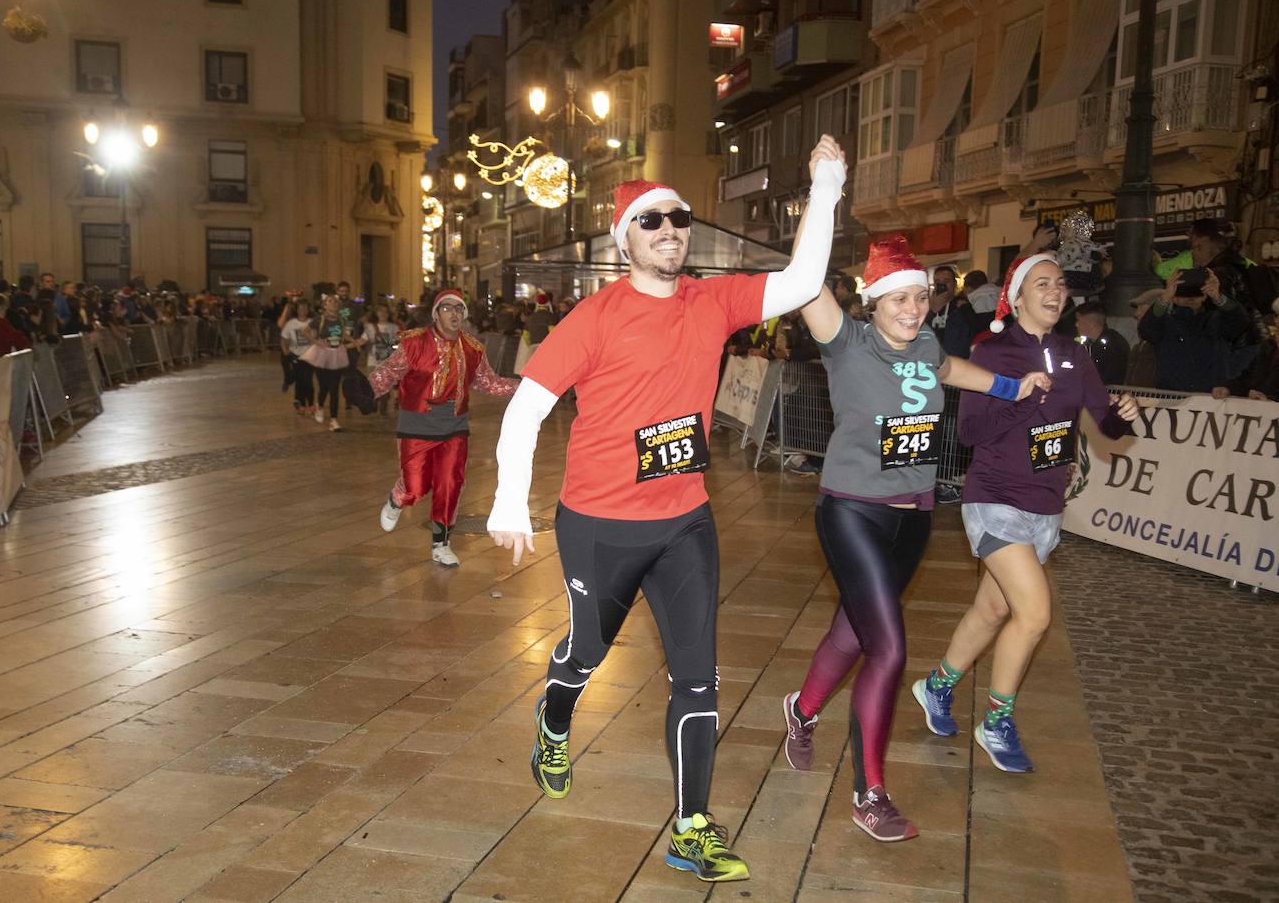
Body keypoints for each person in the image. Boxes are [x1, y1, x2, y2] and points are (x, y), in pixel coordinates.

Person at [487, 137, 857, 884]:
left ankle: (691, 828)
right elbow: (526, 409)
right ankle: (553, 724)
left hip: (685, 521)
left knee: (698, 677)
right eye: (652, 221)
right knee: (585, 657)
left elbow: (806, 277)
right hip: (599, 525)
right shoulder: (594, 317)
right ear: (626, 238)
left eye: (679, 219)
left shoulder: (711, 302)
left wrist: (826, 183)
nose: (670, 231)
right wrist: (508, 501)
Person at [780, 235, 1050, 843]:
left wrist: (1011, 387)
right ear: (872, 302)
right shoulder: (845, 342)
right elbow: (803, 278)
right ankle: (870, 794)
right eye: (898, 298)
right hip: (852, 512)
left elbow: (949, 369)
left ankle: (800, 712)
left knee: (852, 634)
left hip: (915, 516)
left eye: (920, 297)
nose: (912, 309)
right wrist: (825, 191)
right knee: (890, 650)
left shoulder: (927, 341)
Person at [912, 254, 1138, 776]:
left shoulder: (1074, 354)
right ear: (1016, 298)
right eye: (1042, 284)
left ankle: (936, 687)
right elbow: (968, 433)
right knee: (1033, 613)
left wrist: (1123, 415)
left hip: (1044, 506)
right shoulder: (992, 351)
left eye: (1059, 284)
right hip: (993, 498)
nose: (1055, 292)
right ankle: (996, 721)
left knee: (992, 610)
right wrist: (1021, 395)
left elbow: (1105, 420)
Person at [371, 292, 514, 567]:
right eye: (447, 308)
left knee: (450, 484)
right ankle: (397, 498)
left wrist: (526, 387)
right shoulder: (413, 343)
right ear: (436, 314)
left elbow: (487, 383)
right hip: (416, 424)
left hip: (454, 426)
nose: (454, 314)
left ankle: (441, 543)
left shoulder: (473, 348)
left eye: (459, 309)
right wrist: (367, 389)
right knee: (416, 487)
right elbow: (389, 371)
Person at [1138, 266, 1250, 392]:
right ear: (1173, 297)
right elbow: (1146, 331)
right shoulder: (1164, 322)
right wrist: (1164, 297)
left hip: (1211, 399)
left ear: (1204, 296)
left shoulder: (1217, 320)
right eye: (1183, 292)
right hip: (1172, 399)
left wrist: (1218, 297)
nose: (1190, 297)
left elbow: (1241, 322)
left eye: (1196, 292)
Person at [299, 294, 351, 431]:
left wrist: (353, 340)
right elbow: (304, 331)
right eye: (330, 301)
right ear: (325, 305)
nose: (333, 303)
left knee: (334, 388)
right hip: (322, 354)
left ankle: (334, 420)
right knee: (324, 387)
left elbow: (343, 334)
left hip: (337, 353)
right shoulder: (319, 319)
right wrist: (316, 342)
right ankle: (319, 406)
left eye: (335, 301)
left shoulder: (341, 319)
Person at [1072, 299, 1129, 385]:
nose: (1076, 324)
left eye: (1078, 320)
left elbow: (1107, 379)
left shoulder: (1111, 345)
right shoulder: (1092, 344)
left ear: (1091, 323)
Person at [280, 300, 315, 415]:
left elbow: (319, 336)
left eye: (305, 308)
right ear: (297, 310)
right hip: (296, 355)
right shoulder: (291, 323)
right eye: (300, 308)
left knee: (308, 381)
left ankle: (310, 404)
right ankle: (301, 404)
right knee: (300, 381)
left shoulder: (313, 322)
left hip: (310, 356)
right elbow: (284, 338)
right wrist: (285, 350)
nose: (303, 311)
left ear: (308, 309)